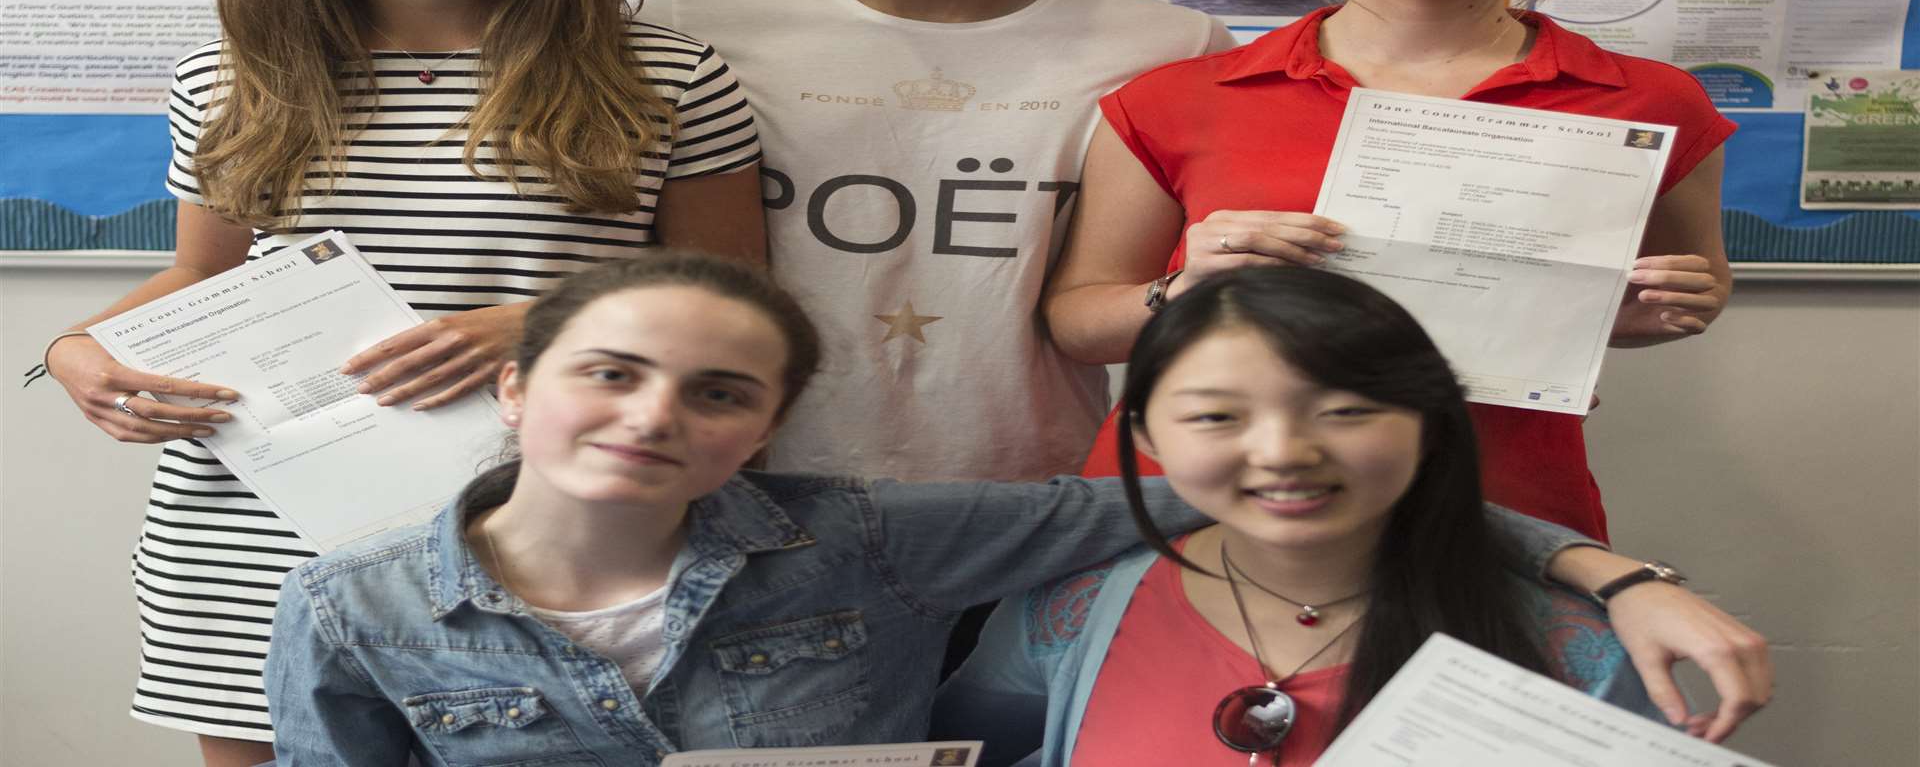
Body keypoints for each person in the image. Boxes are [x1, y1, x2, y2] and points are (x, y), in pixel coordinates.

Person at [267, 256, 1764, 764]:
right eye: (610, 374)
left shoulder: (867, 538)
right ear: (516, 389)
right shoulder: (358, 606)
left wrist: (1614, 575)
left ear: (769, 428)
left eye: (721, 393)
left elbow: (1312, 500)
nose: (658, 417)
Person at [34, 0, 763, 766]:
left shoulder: (669, 75)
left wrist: (548, 327)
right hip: (256, 528)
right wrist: (72, 352)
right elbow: (203, 272)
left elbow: (735, 294)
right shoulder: (231, 76)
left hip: (547, 519)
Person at [1047, 0, 1737, 542]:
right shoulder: (1178, 98)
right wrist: (1188, 287)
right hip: (1196, 516)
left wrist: (1660, 307)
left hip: (1486, 514)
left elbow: (1662, 298)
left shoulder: (1649, 101)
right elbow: (1078, 323)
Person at [646, 0, 1238, 483]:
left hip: (1029, 500)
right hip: (737, 483)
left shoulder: (1172, 49)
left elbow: (1116, 305)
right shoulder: (680, 23)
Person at [934, 269, 1767, 765]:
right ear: (1148, 434)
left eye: (1345, 410)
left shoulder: (1573, 646)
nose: (1285, 452)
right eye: (1219, 417)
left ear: (1429, 423)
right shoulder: (1069, 612)